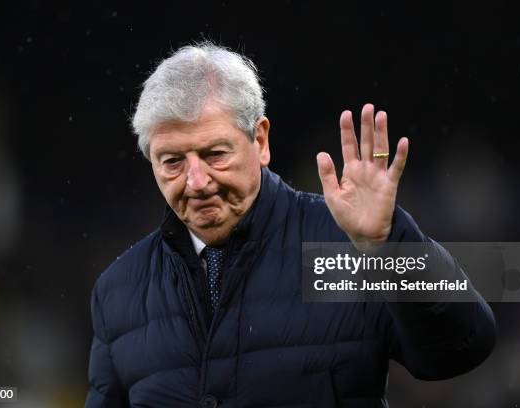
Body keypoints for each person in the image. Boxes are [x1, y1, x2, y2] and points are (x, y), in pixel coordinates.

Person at [85, 42, 496, 408]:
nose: (196, 182)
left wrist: (390, 244)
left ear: (261, 141)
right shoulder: (118, 289)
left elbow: (463, 348)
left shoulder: (348, 244)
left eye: (215, 154)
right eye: (172, 162)